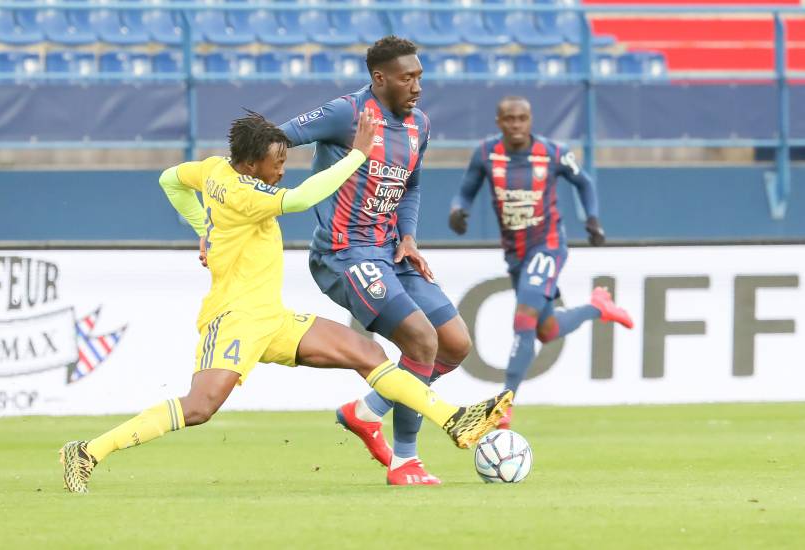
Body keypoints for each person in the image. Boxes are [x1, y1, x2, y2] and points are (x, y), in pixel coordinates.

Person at [59, 110, 512, 493]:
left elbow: (169, 179)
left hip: (270, 317)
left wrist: (202, 228)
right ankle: (87, 451)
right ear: (252, 165)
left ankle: (454, 418)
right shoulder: (245, 192)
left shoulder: (215, 169)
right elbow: (300, 199)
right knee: (199, 408)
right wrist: (358, 153)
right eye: (277, 162)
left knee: (367, 353)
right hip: (234, 318)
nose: (283, 168)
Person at [279, 36, 473, 485]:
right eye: (408, 78)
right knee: (421, 340)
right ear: (380, 78)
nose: (417, 86)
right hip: (343, 254)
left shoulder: (419, 125)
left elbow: (412, 185)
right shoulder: (346, 113)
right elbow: (276, 138)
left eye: (420, 76)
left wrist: (409, 236)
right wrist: (233, 206)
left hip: (391, 250)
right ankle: (406, 460)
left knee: (455, 343)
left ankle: (367, 411)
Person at [449, 96, 633, 429]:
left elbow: (584, 182)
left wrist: (591, 219)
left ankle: (504, 403)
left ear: (531, 120)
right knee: (546, 331)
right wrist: (458, 210)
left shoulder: (554, 153)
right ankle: (598, 307)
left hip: (547, 246)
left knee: (524, 318)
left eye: (522, 118)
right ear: (498, 122)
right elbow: (466, 190)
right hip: (516, 255)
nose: (516, 124)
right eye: (509, 119)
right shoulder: (486, 154)